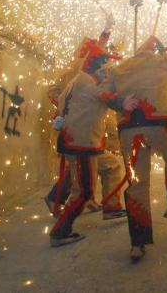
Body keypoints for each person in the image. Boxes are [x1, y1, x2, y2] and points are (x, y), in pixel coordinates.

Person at [100, 36, 167, 261]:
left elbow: (102, 93)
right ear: (154, 50)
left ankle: (137, 244)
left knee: (137, 185)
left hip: (129, 130)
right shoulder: (161, 61)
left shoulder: (119, 68)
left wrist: (120, 103)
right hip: (158, 126)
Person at [49, 40, 137, 247]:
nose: (106, 72)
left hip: (80, 141)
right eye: (104, 68)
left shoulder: (78, 80)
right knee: (84, 192)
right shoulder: (88, 83)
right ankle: (59, 233)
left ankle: (112, 208)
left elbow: (61, 103)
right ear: (96, 66)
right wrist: (122, 102)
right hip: (80, 145)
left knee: (112, 165)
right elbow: (104, 96)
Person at [44, 27, 125, 219]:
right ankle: (60, 210)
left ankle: (101, 203)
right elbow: (55, 92)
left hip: (86, 128)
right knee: (79, 171)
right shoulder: (80, 72)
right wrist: (70, 109)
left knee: (94, 167)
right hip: (78, 131)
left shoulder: (83, 69)